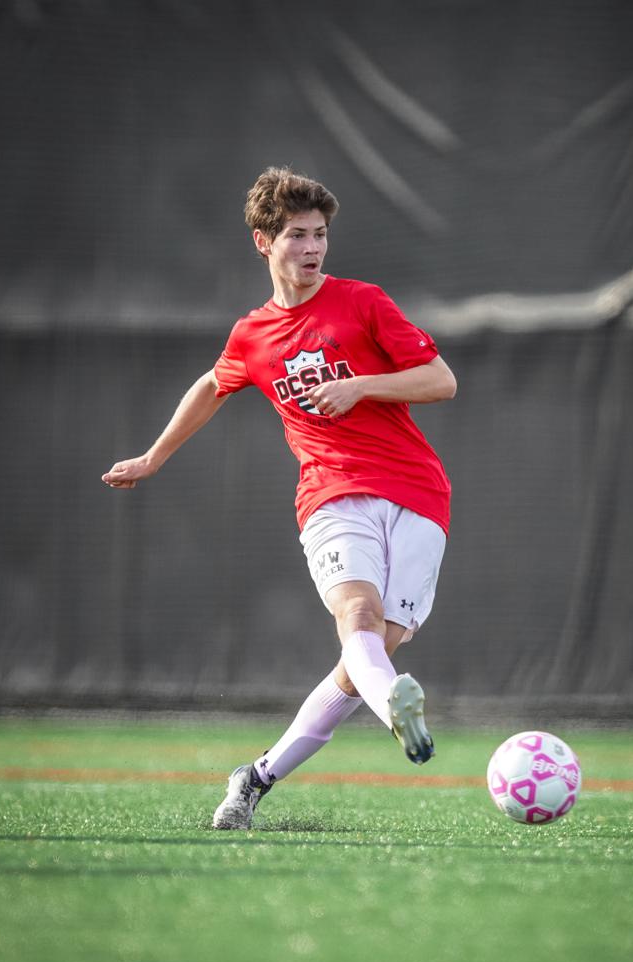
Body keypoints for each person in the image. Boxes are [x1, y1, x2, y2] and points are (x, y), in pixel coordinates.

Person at [102, 166, 457, 829]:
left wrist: (360, 387)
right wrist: (153, 456)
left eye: (320, 234)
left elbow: (440, 380)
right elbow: (213, 385)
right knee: (358, 623)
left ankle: (256, 777)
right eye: (297, 235)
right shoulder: (253, 335)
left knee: (370, 655)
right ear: (264, 242)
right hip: (331, 494)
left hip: (417, 493)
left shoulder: (363, 302)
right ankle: (397, 712)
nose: (313, 248)